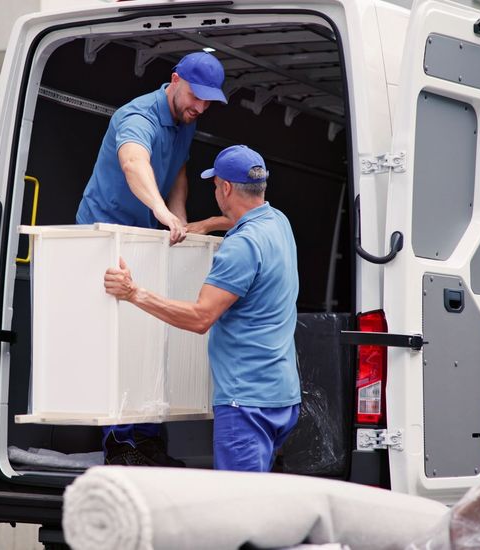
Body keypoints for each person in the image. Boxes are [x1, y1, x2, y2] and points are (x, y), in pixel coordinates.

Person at [104, 145, 301, 472]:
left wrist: (134, 293)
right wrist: (208, 224)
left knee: (240, 513)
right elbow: (241, 219)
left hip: (246, 404)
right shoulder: (278, 223)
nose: (215, 192)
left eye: (215, 185)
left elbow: (200, 317)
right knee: (262, 504)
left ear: (225, 188)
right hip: (282, 397)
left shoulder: (241, 247)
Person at [77, 51, 232, 467]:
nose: (199, 108)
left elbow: (179, 169)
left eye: (207, 103)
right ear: (175, 79)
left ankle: (148, 440)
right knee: (120, 342)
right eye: (195, 97)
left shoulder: (186, 120)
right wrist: (163, 214)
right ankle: (121, 444)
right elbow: (133, 162)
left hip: (144, 237)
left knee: (150, 338)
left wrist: (176, 213)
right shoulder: (139, 117)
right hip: (105, 236)